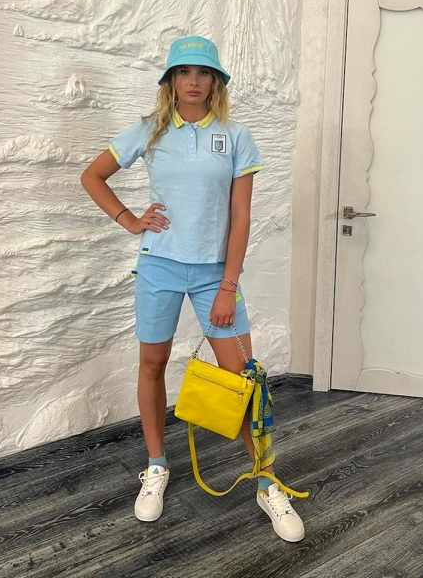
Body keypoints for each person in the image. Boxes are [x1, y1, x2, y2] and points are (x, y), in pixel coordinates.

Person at [81, 35, 304, 542]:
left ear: (216, 81)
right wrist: (129, 219)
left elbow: (241, 217)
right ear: (171, 80)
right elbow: (93, 176)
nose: (194, 81)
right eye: (184, 72)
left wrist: (228, 285)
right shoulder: (150, 131)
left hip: (215, 275)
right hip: (158, 267)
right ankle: (157, 465)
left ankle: (267, 482)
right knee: (152, 365)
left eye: (204, 73)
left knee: (244, 377)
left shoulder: (236, 136)